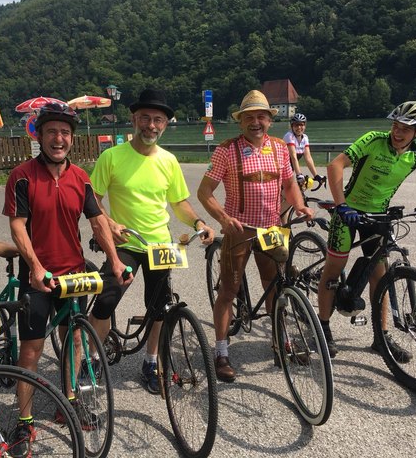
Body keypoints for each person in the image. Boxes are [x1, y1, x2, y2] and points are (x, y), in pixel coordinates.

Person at [2, 101, 130, 450]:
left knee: (74, 338)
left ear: (71, 138)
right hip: (38, 276)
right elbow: (17, 227)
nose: (58, 138)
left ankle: (69, 401)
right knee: (31, 349)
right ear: (40, 136)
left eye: (65, 132)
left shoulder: (80, 178)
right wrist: (36, 266)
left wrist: (115, 262)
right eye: (52, 132)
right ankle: (24, 421)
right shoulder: (22, 176)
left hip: (73, 271)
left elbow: (98, 222)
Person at [86, 88, 215, 395]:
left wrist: (198, 222)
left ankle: (151, 361)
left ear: (166, 124)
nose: (151, 125)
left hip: (159, 245)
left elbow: (179, 203)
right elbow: (92, 199)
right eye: (145, 117)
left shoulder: (169, 161)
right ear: (134, 119)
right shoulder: (112, 157)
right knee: (107, 300)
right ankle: (89, 360)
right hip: (126, 242)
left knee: (159, 308)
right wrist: (108, 223)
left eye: (158, 119)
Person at [197, 90, 313, 382]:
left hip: (272, 228)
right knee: (228, 291)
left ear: (270, 121)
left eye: (261, 116)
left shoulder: (278, 148)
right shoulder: (226, 150)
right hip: (240, 229)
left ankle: (281, 342)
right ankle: (221, 352)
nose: (256, 122)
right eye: (249, 117)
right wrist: (223, 218)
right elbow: (204, 192)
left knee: (276, 287)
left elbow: (289, 184)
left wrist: (299, 205)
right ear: (241, 122)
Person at [316, 101, 416, 362]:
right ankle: (323, 328)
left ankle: (381, 337)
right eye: (395, 126)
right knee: (334, 268)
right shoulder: (373, 140)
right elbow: (335, 166)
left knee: (380, 277)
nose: (397, 132)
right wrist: (341, 205)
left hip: (379, 216)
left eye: (405, 129)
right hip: (349, 212)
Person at [283, 113, 324, 184]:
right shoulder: (289, 136)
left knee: (297, 189)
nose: (299, 127)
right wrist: (299, 174)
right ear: (292, 126)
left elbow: (308, 158)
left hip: (290, 169)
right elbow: (293, 157)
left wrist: (316, 175)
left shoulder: (305, 137)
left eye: (301, 125)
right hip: (281, 168)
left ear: (305, 126)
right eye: (296, 125)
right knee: (287, 191)